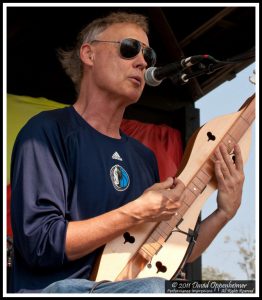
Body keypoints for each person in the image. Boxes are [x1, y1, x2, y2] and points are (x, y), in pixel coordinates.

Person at [9, 11, 245, 294]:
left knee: (230, 288)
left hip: (132, 287)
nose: (143, 62)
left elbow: (161, 251)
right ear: (89, 54)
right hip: (56, 290)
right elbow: (40, 243)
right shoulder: (47, 132)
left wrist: (224, 212)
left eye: (149, 56)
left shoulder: (143, 157)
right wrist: (135, 212)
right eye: (129, 49)